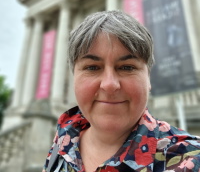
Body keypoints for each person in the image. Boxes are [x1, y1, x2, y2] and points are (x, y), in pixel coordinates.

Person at [43, 10, 200, 172]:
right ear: (74, 76)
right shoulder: (61, 143)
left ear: (149, 78)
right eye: (92, 67)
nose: (110, 84)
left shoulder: (192, 159)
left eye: (127, 67)